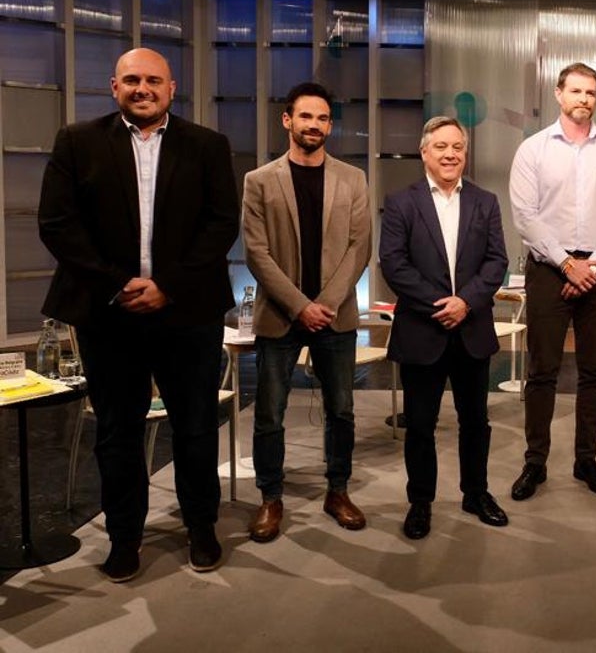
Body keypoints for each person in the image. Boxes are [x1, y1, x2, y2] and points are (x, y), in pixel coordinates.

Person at [38, 47, 239, 582]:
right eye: (132, 80)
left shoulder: (208, 146)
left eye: (153, 80)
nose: (142, 88)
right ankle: (125, 538)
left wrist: (167, 286)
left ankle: (201, 528)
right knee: (117, 432)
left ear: (172, 89)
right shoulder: (77, 142)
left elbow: (221, 225)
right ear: (113, 87)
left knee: (196, 428)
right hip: (109, 313)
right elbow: (57, 224)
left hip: (187, 312)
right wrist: (118, 284)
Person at [241, 82, 372, 542]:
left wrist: (327, 304)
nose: (313, 125)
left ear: (329, 125)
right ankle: (270, 498)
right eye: (305, 117)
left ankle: (338, 491)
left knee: (342, 410)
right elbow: (256, 253)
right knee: (269, 414)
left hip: (335, 315)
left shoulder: (353, 179)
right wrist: (300, 306)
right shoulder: (258, 181)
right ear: (288, 121)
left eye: (322, 118)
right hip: (281, 314)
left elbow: (360, 248)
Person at [509, 62, 596, 501]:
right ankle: (535, 463)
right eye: (576, 91)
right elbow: (526, 216)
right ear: (559, 94)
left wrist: (593, 265)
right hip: (549, 270)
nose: (584, 99)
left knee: (595, 370)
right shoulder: (533, 150)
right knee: (542, 371)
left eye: (591, 92)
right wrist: (567, 264)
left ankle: (587, 459)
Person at [380, 116, 510, 539]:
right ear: (424, 152)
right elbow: (393, 264)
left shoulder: (485, 202)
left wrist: (466, 302)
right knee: (420, 425)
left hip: (471, 330)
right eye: (441, 146)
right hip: (424, 329)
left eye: (457, 146)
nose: (450, 154)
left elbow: (497, 262)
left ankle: (476, 493)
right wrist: (441, 305)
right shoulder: (401, 202)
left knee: (476, 422)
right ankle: (420, 502)